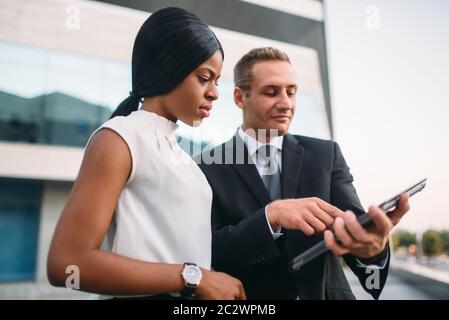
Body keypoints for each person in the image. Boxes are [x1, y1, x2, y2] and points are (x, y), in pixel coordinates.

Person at [47, 7, 246, 300]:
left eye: (216, 81)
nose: (215, 93)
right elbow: (66, 264)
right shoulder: (120, 138)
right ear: (169, 68)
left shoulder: (183, 158)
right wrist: (194, 278)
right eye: (204, 78)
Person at [197, 47, 410, 300]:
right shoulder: (205, 166)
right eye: (271, 92)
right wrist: (270, 217)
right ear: (240, 97)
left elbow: (355, 230)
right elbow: (207, 250)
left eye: (291, 91)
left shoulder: (326, 154)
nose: (286, 103)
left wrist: (373, 251)